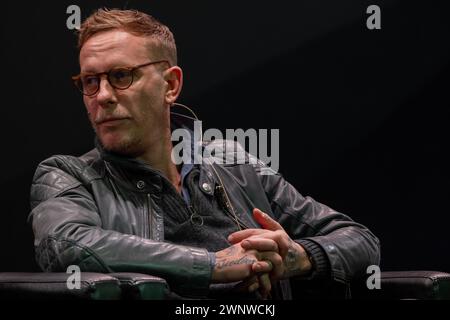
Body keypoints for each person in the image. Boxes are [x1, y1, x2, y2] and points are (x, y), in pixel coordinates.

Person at [29, 8, 380, 299]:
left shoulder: (234, 163)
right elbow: (64, 244)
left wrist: (299, 257)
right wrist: (213, 265)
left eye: (121, 75)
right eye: (90, 81)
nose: (102, 95)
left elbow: (360, 240)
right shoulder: (67, 175)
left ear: (170, 85)